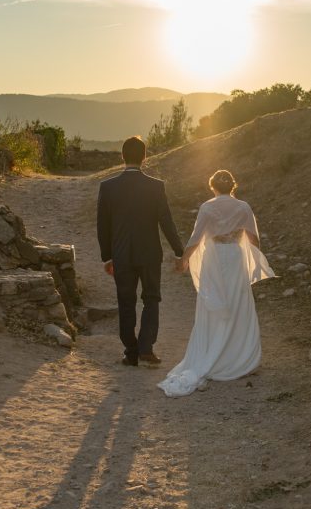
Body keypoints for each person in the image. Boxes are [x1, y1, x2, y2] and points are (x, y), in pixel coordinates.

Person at [158, 170, 274, 397]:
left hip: (214, 258)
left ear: (213, 187)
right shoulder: (243, 207)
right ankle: (238, 357)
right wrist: (253, 259)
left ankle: (213, 353)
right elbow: (254, 239)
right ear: (233, 186)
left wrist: (184, 259)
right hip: (234, 256)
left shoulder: (207, 208)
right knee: (236, 302)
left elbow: (196, 238)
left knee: (215, 303)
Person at [97, 136, 185, 368]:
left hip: (122, 254)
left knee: (125, 301)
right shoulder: (156, 187)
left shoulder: (108, 187)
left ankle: (131, 351)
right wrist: (179, 251)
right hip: (149, 253)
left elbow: (102, 226)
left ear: (122, 157)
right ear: (145, 157)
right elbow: (166, 222)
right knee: (151, 298)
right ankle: (146, 348)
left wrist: (107, 256)